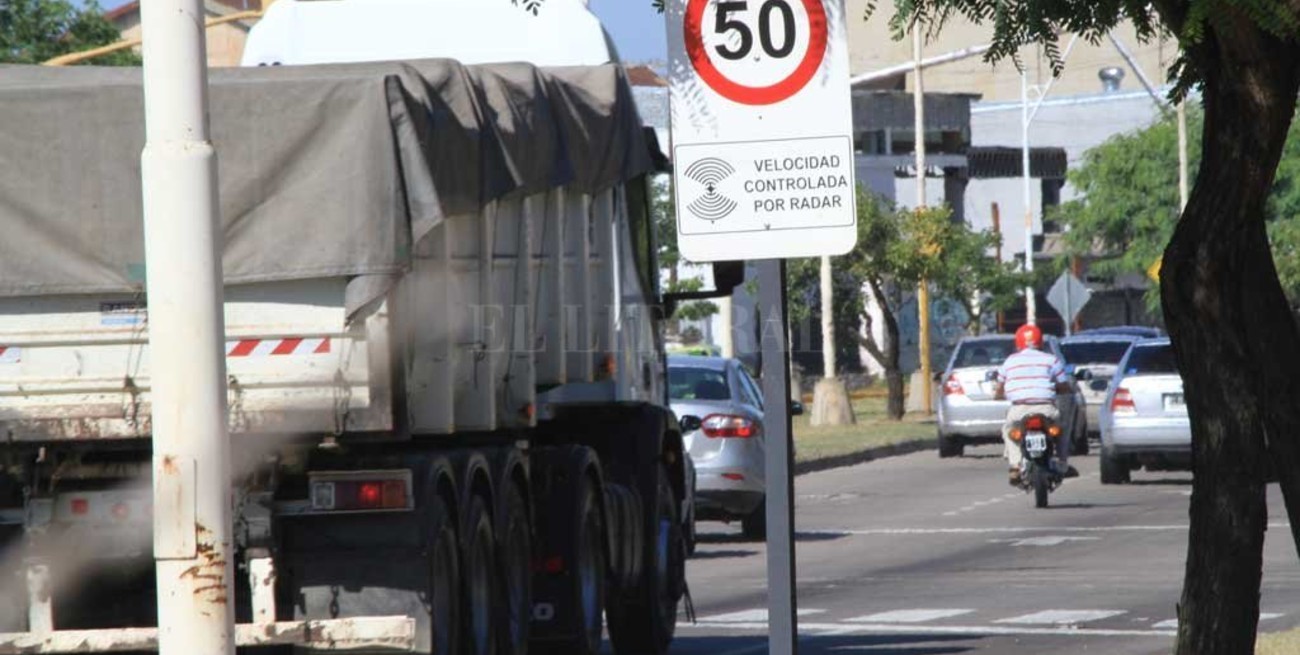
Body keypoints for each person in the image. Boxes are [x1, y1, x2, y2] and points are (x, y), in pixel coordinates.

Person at [994, 324, 1079, 485]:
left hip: (1018, 410)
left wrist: (998, 395)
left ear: (1018, 343)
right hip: (1046, 409)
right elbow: (1064, 385)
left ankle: (1015, 466)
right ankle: (1062, 463)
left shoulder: (1010, 361)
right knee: (1062, 430)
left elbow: (999, 388)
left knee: (1008, 430)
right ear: (1040, 342)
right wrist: (1058, 389)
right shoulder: (1051, 360)